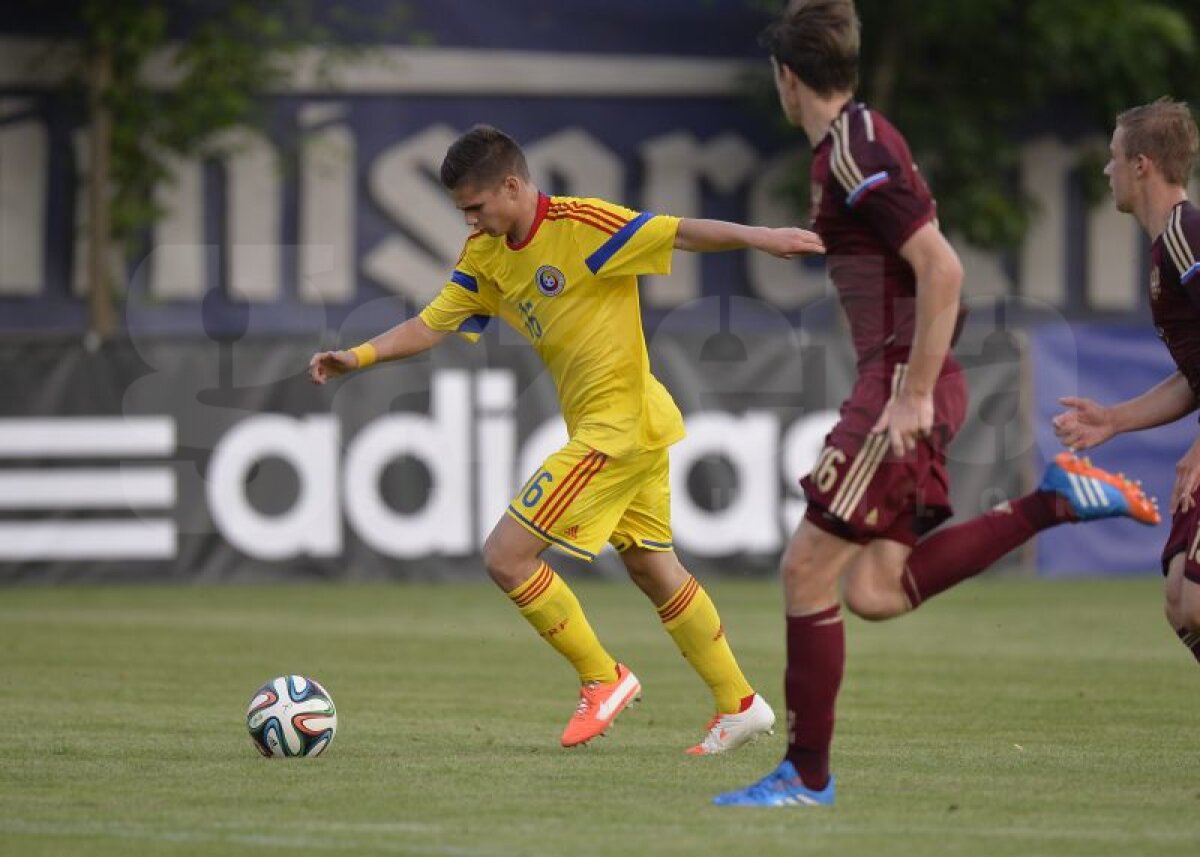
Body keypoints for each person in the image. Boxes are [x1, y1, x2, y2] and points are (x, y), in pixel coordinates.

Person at [713, 0, 1159, 807]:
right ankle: (1051, 503)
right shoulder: (857, 143)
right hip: (902, 382)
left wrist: (911, 392)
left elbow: (943, 269)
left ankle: (805, 775)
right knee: (877, 591)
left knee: (805, 571)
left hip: (896, 387)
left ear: (787, 78)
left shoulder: (853, 148)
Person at [309, 124, 826, 753]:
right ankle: (739, 704)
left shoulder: (585, 225)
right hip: (629, 424)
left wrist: (762, 237)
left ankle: (602, 677)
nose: (469, 222)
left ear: (511, 186)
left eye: (475, 207)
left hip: (619, 428)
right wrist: (355, 357)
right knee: (652, 566)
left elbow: (681, 231)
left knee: (505, 556)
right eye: (462, 212)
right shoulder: (487, 255)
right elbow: (430, 323)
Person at [1053, 99, 1200, 666]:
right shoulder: (1169, 245)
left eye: (1113, 158)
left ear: (1142, 164)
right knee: (1180, 601)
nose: (1106, 170)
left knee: (1195, 600)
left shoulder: (1187, 235)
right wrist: (1114, 419)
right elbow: (1195, 375)